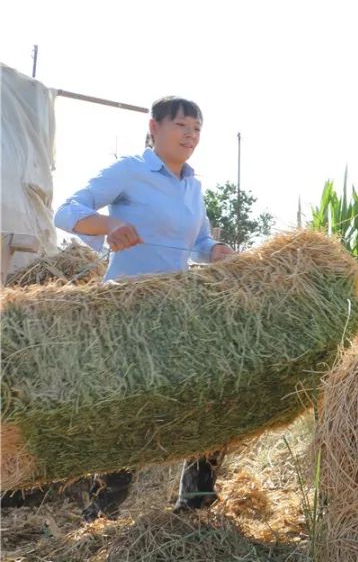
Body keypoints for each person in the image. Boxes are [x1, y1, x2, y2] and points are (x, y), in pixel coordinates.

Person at [53, 96, 235, 521]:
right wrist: (109, 225)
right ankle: (102, 509)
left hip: (176, 308)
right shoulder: (130, 170)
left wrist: (218, 250)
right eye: (182, 126)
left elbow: (200, 243)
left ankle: (196, 500)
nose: (190, 136)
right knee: (128, 405)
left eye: (197, 129)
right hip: (126, 311)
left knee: (211, 392)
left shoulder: (193, 185)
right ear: (154, 127)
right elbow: (67, 211)